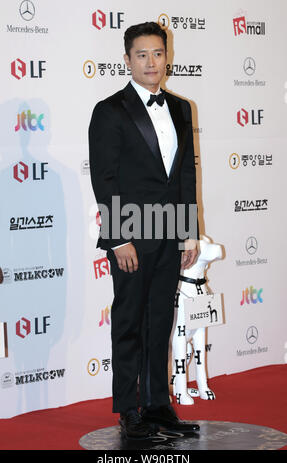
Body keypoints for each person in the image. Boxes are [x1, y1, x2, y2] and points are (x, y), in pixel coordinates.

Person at [89, 21, 200, 439]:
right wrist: (118, 237)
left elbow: (185, 175)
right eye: (142, 55)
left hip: (171, 233)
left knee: (160, 321)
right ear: (127, 60)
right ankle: (129, 408)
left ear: (166, 57)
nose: (151, 62)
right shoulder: (110, 110)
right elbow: (105, 178)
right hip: (132, 236)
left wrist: (188, 231)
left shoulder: (181, 107)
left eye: (157, 53)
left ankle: (157, 403)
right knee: (130, 322)